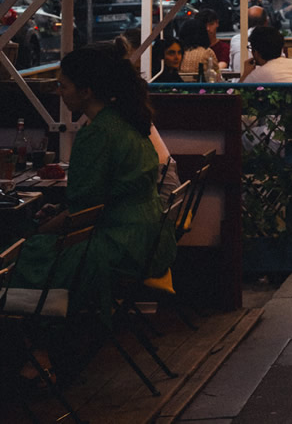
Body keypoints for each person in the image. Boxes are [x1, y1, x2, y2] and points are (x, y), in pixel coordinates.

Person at [13, 47, 176, 324]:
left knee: (26, 254)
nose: (59, 92)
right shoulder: (129, 121)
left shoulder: (97, 134)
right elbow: (99, 199)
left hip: (118, 245)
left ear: (86, 91)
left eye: (63, 85)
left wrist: (31, 234)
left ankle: (35, 350)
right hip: (149, 239)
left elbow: (82, 213)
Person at [177, 15, 221, 82]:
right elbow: (217, 74)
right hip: (201, 88)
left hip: (178, 86)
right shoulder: (207, 52)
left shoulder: (178, 52)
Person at [229, 4, 268, 74]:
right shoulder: (272, 39)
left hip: (239, 82)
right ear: (266, 22)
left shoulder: (235, 40)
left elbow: (232, 67)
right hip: (267, 83)